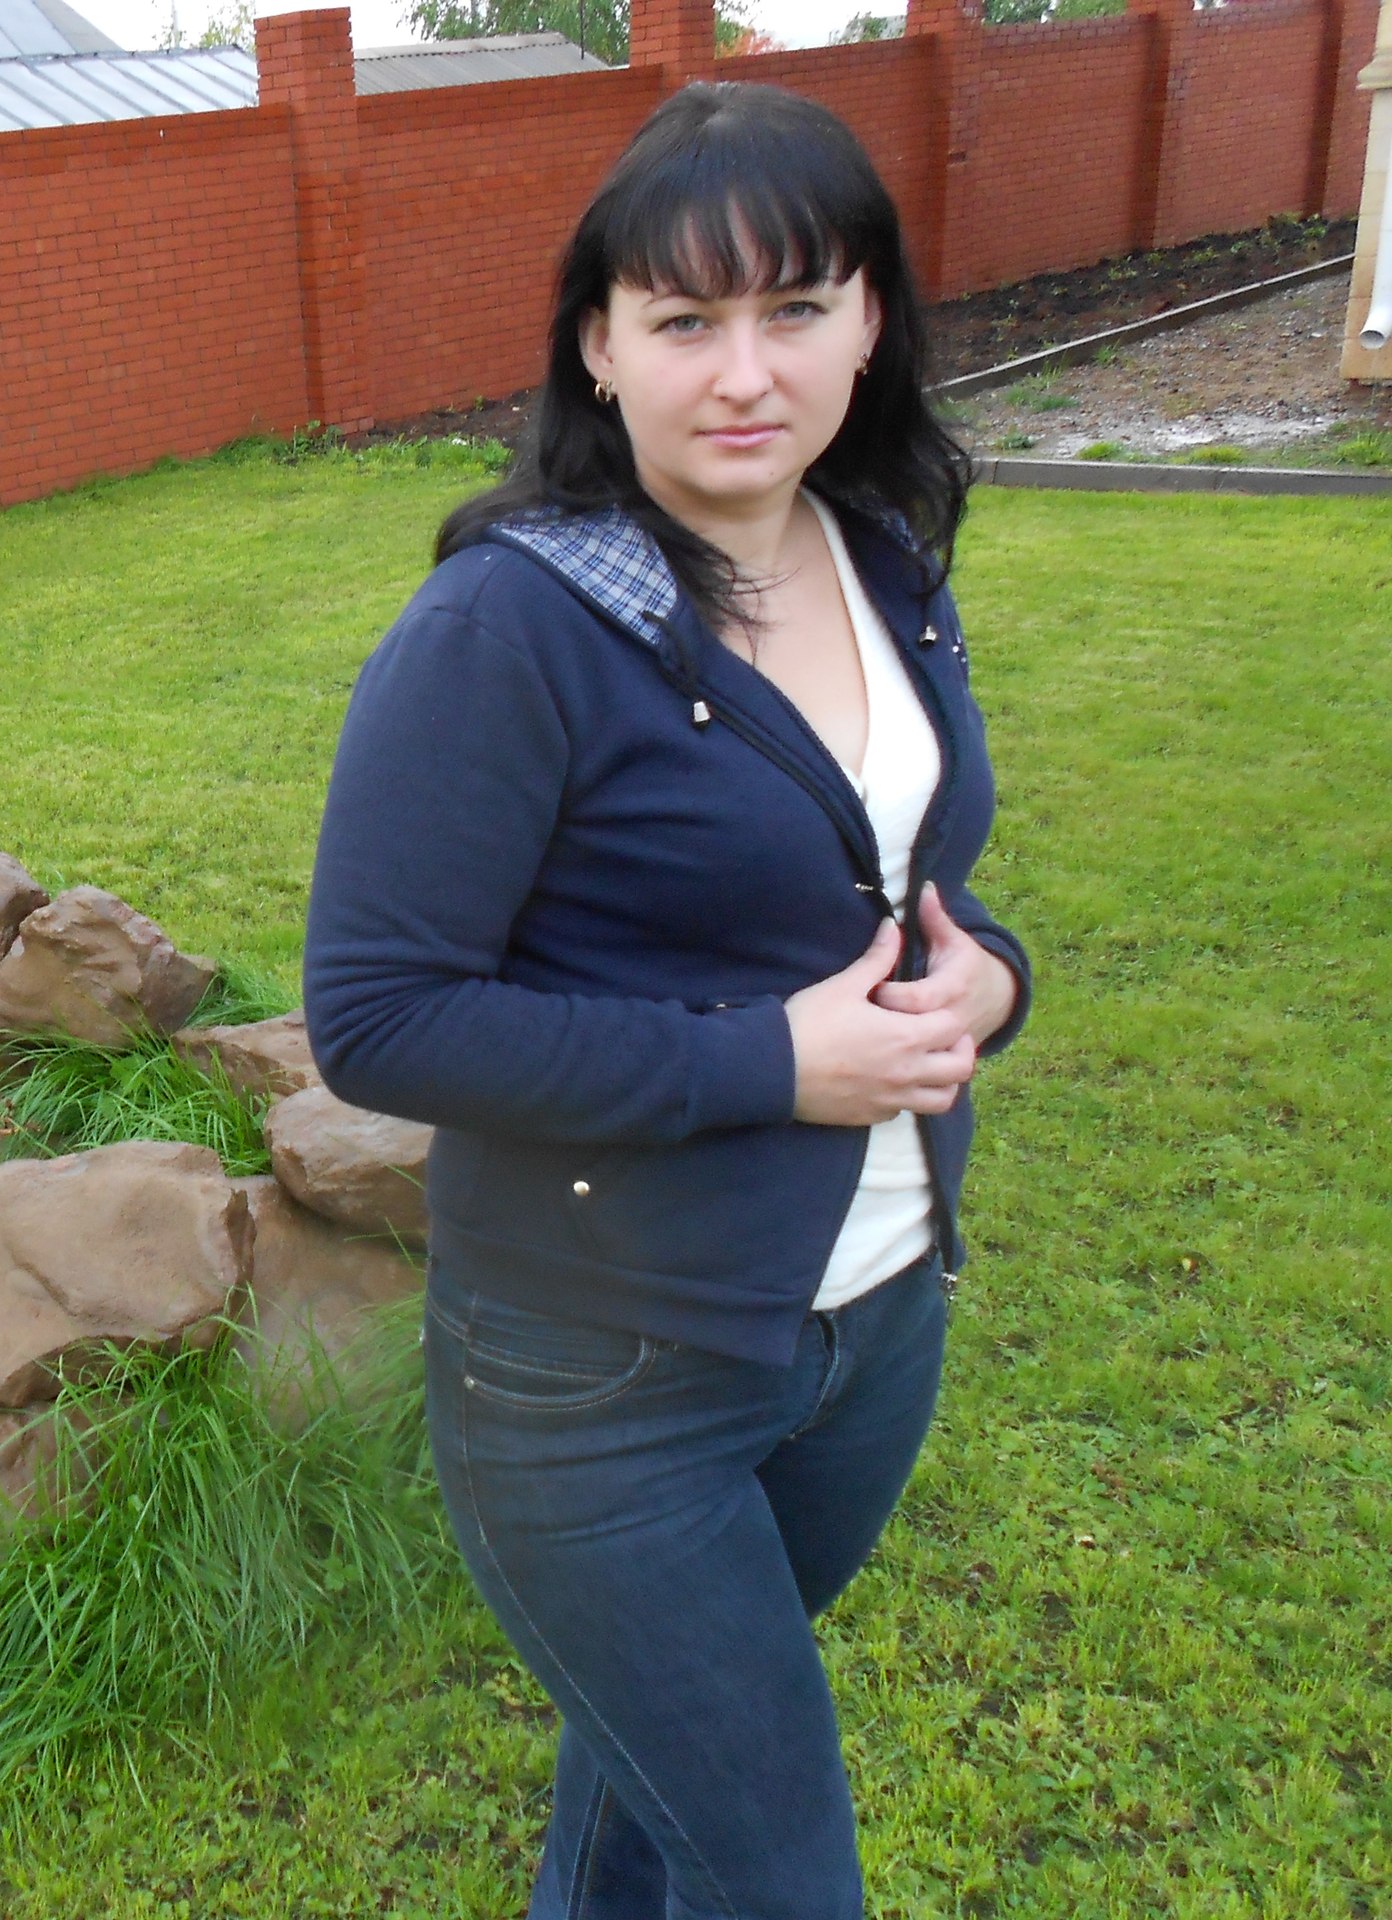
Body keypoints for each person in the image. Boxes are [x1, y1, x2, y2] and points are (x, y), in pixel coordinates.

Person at [301, 82, 1034, 1920]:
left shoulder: (880, 559)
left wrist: (994, 979)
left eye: (796, 308)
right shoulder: (507, 632)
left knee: (652, 1807)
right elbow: (379, 1018)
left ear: (869, 319)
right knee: (781, 1880)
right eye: (686, 319)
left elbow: (892, 878)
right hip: (601, 1380)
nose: (745, 373)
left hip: (873, 1324)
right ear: (598, 345)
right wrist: (773, 1061)